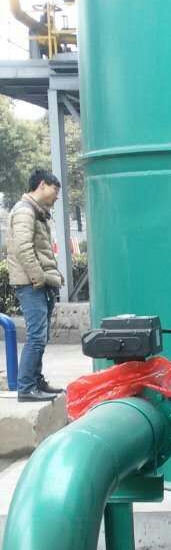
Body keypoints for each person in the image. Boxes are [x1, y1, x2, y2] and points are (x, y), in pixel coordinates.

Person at [7, 168, 65, 402]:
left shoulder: (37, 212)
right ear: (42, 185)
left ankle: (36, 381)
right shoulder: (25, 211)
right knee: (36, 337)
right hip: (32, 285)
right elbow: (23, 248)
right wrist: (39, 278)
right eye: (55, 190)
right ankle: (26, 388)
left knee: (41, 336)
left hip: (39, 284)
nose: (57, 196)